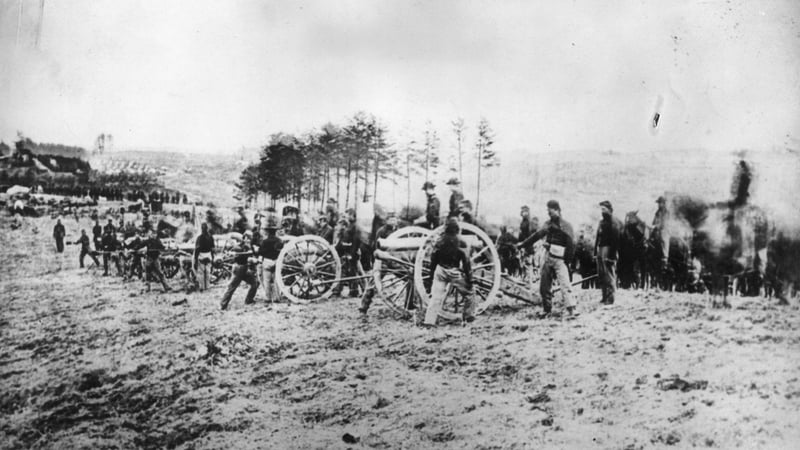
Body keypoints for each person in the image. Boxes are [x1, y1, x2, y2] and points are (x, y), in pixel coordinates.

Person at [518, 200, 577, 319]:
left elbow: (571, 245)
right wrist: (523, 244)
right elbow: (536, 236)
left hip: (560, 259)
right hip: (548, 257)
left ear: (557, 210)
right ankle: (547, 310)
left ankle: (572, 310)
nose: (549, 214)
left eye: (550, 211)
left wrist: (567, 261)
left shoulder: (566, 226)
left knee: (565, 285)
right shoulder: (547, 224)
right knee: (544, 286)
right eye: (548, 211)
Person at [423, 218, 476, 326]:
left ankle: (429, 322)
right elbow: (466, 262)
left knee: (435, 297)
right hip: (454, 272)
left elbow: (433, 261)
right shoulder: (461, 242)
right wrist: (470, 279)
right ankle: (468, 318)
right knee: (470, 293)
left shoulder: (439, 241)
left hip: (440, 271)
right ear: (457, 228)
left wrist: (430, 277)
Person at [359, 212, 401, 314]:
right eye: (391, 220)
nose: (393, 221)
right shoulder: (381, 231)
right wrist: (376, 262)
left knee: (410, 278)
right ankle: (364, 306)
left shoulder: (398, 231)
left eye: (394, 219)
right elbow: (376, 247)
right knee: (373, 283)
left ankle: (410, 304)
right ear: (387, 221)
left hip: (396, 260)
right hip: (383, 260)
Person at [220, 235, 259, 310]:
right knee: (231, 287)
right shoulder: (238, 247)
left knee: (255, 283)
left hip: (244, 269)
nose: (249, 240)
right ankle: (223, 305)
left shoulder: (248, 246)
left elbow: (253, 254)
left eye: (250, 239)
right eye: (247, 238)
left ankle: (249, 300)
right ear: (244, 239)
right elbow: (239, 256)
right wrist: (250, 258)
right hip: (239, 269)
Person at [595, 200, 623, 305]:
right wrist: (596, 252)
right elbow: (598, 238)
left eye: (604, 209)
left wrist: (612, 256)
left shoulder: (614, 222)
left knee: (609, 274)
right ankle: (604, 297)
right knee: (602, 274)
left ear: (610, 210)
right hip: (601, 249)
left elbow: (616, 240)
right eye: (601, 209)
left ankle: (610, 298)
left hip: (609, 249)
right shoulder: (601, 222)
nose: (602, 211)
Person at [333, 208, 363, 297]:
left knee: (353, 272)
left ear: (352, 215)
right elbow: (343, 241)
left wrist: (352, 254)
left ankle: (354, 292)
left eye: (348, 215)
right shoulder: (349, 226)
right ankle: (351, 291)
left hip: (352, 253)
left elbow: (356, 242)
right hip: (347, 252)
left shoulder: (356, 227)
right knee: (350, 272)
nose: (347, 217)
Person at [257, 215, 283, 303]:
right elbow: (281, 251)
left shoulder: (265, 241)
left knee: (266, 281)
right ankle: (276, 298)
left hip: (267, 262)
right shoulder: (279, 241)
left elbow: (260, 252)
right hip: (276, 261)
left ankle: (268, 297)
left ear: (267, 231)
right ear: (275, 231)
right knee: (277, 280)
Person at [652, 195, 670, 281]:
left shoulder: (666, 212)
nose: (659, 204)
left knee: (663, 239)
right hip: (657, 230)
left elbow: (665, 222)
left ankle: (665, 257)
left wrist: (658, 226)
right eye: (658, 203)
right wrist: (654, 225)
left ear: (664, 203)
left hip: (664, 229)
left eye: (660, 203)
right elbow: (654, 221)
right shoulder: (657, 212)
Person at [194, 223, 215, 291]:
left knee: (201, 272)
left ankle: (202, 287)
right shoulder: (210, 237)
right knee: (208, 272)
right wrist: (212, 257)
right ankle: (207, 286)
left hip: (201, 255)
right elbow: (212, 249)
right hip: (208, 255)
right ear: (207, 229)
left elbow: (197, 249)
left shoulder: (199, 238)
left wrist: (195, 259)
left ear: (201, 229)